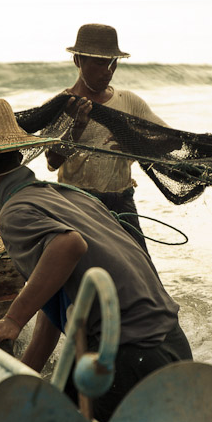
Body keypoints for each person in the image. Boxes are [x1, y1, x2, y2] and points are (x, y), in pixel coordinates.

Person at [0, 97, 192, 422]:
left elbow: (68, 246)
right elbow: (55, 299)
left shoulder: (15, 212)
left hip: (128, 357)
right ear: (17, 154)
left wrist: (12, 320)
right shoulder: (68, 196)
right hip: (170, 345)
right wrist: (25, 373)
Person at [45, 23, 168, 253]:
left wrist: (132, 141)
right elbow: (52, 162)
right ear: (78, 61)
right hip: (77, 204)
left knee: (139, 267)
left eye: (113, 63)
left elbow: (167, 139)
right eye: (100, 62)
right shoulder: (64, 105)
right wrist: (76, 128)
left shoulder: (128, 102)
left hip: (122, 201)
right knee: (87, 272)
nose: (108, 71)